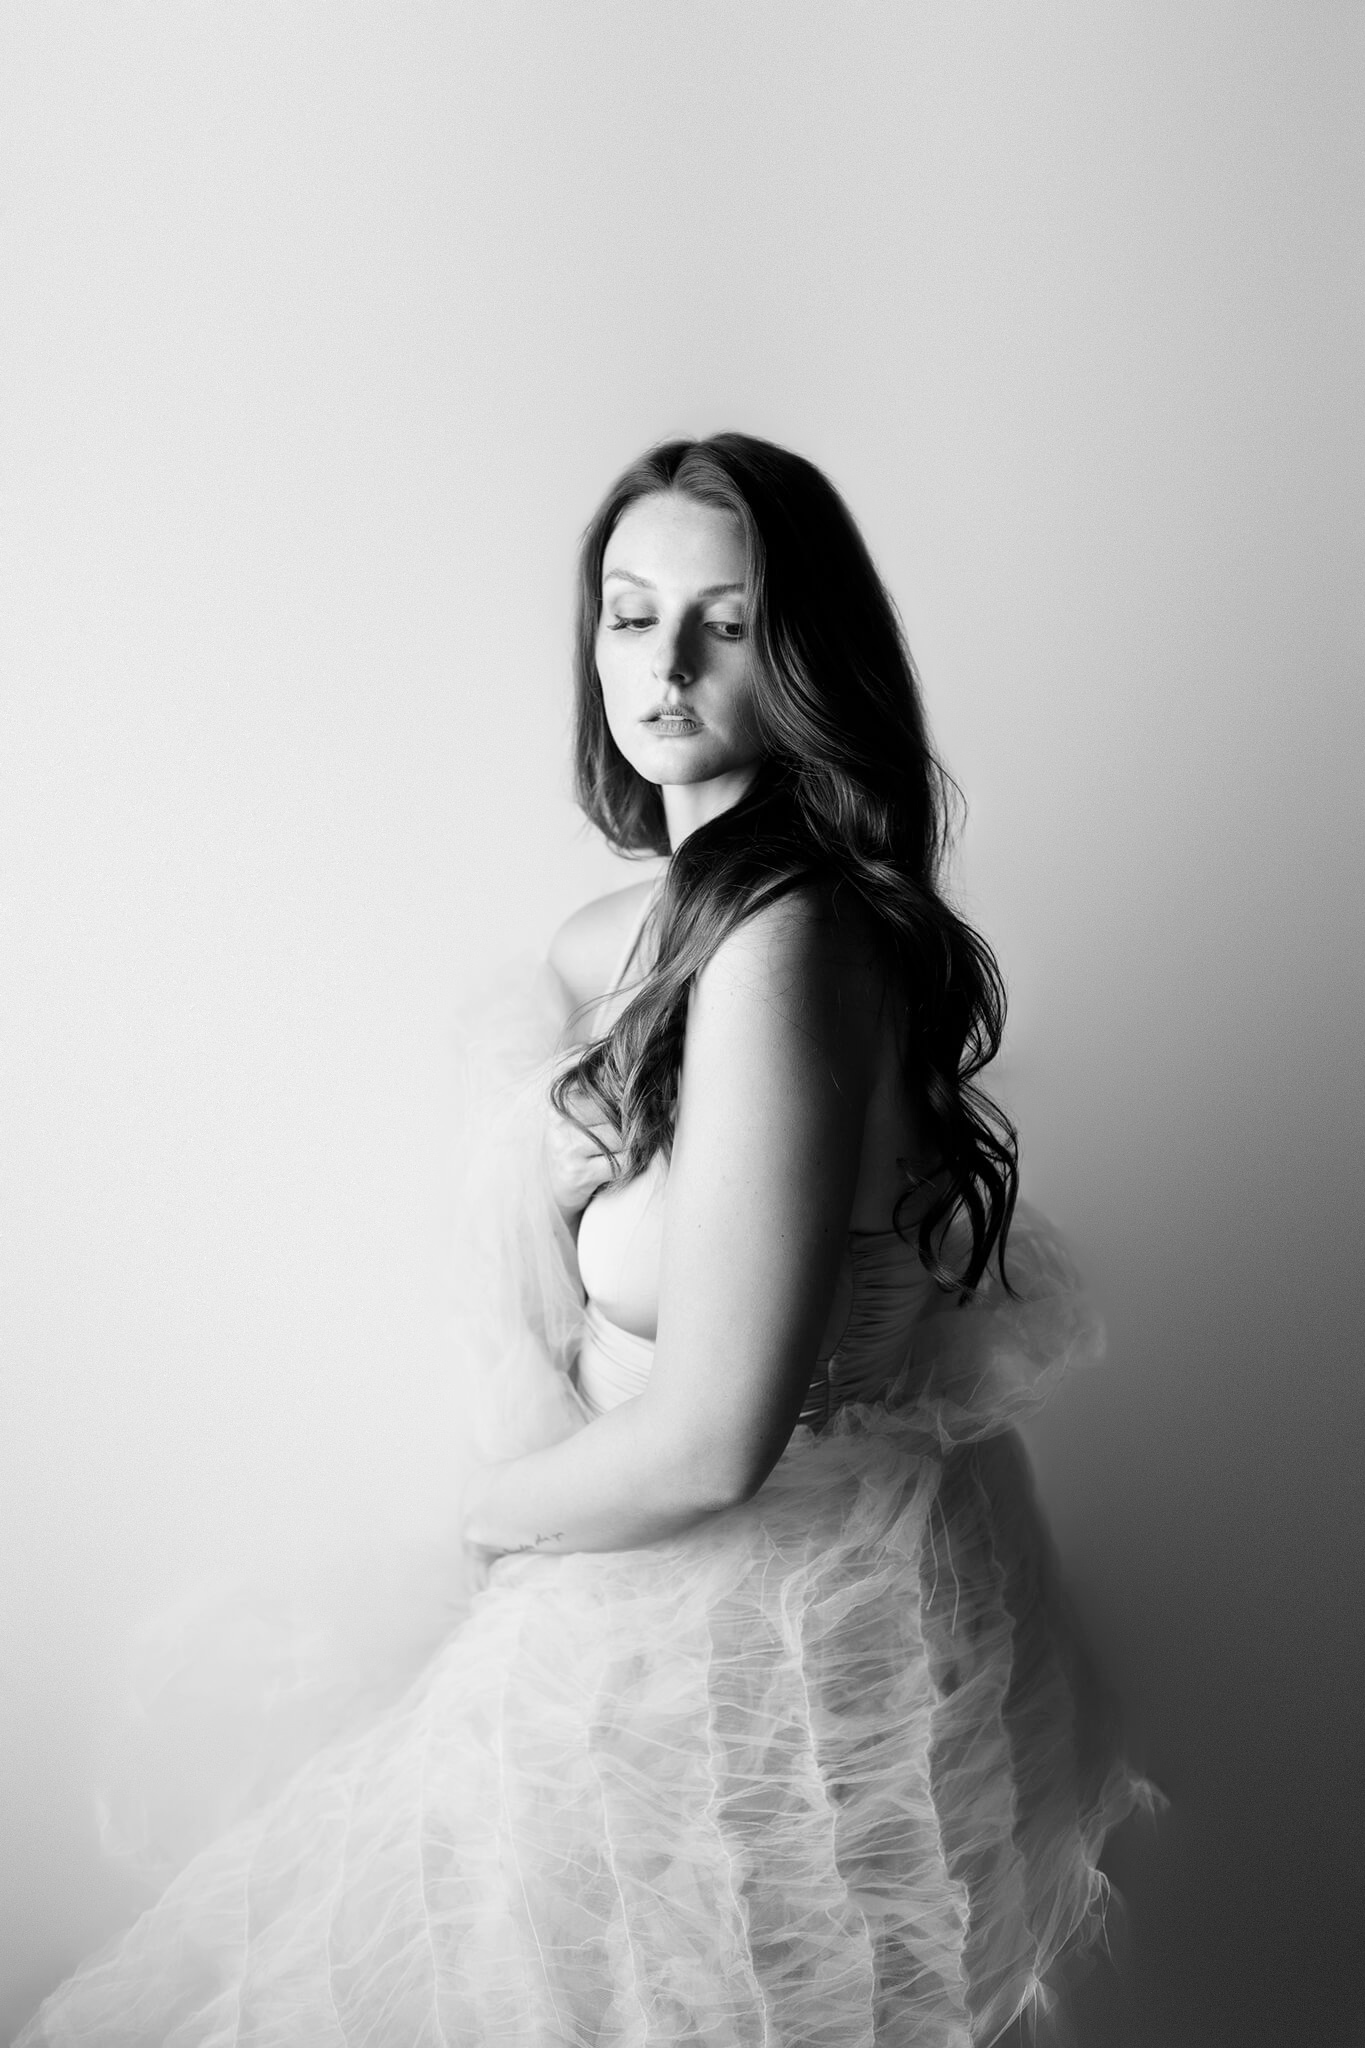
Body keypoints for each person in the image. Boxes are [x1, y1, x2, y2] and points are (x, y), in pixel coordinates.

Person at [17, 433, 1149, 2046]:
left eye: (725, 621)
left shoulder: (792, 941)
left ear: (807, 654)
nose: (665, 665)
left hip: (767, 1647)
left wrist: (464, 1538)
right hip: (632, 1599)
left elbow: (706, 1444)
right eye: (629, 615)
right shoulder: (609, 942)